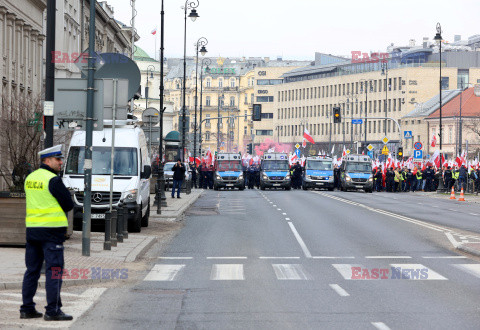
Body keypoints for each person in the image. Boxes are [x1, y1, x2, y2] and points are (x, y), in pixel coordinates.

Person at [20, 145, 73, 321]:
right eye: (57, 159)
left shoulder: (30, 178)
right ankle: (53, 310)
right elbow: (68, 204)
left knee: (32, 270)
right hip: (52, 232)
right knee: (54, 271)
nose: (60, 162)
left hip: (33, 231)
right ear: (47, 161)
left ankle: (27, 309)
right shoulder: (53, 180)